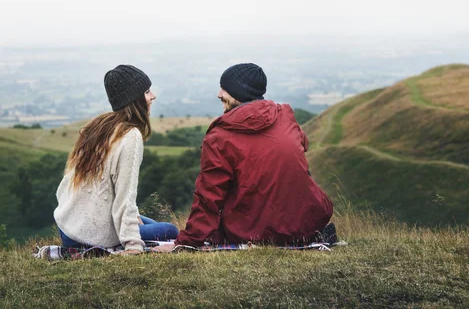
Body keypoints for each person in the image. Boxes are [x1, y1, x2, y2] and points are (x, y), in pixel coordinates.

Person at [156, 63, 334, 252]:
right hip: (307, 225)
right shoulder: (285, 117)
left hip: (252, 232)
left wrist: (186, 242)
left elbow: (209, 196)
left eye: (224, 88)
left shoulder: (219, 136)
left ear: (238, 92)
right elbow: (302, 147)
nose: (219, 94)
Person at [53, 64, 179, 254]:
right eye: (146, 91)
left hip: (68, 229)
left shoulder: (99, 126)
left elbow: (65, 186)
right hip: (89, 236)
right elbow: (124, 196)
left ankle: (127, 226)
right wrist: (133, 245)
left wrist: (133, 216)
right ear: (134, 98)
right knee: (171, 230)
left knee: (148, 222)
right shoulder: (130, 135)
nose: (153, 96)